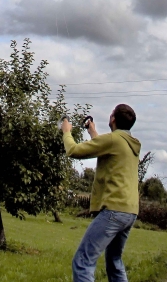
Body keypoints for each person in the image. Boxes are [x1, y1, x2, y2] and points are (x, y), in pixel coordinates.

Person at [61, 104, 140, 282]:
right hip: (130, 212)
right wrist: (92, 132)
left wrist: (67, 131)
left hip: (113, 210)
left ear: (112, 118)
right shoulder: (128, 143)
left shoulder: (113, 140)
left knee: (82, 261)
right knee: (114, 261)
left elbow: (73, 151)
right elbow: (104, 148)